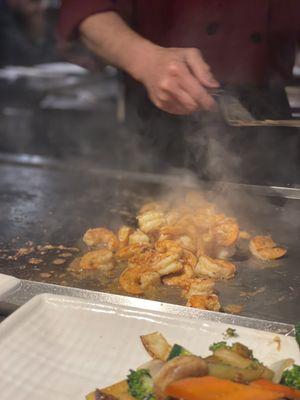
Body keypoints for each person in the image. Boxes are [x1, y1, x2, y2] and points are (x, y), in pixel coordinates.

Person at [59, 1, 300, 182]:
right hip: (162, 115)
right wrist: (143, 59)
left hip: (271, 125)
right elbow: (85, 9)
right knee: (151, 226)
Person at [0, 0, 57, 67]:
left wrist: (39, 34)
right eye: (32, 1)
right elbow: (25, 59)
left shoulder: (37, 17)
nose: (39, 7)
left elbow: (52, 57)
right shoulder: (4, 19)